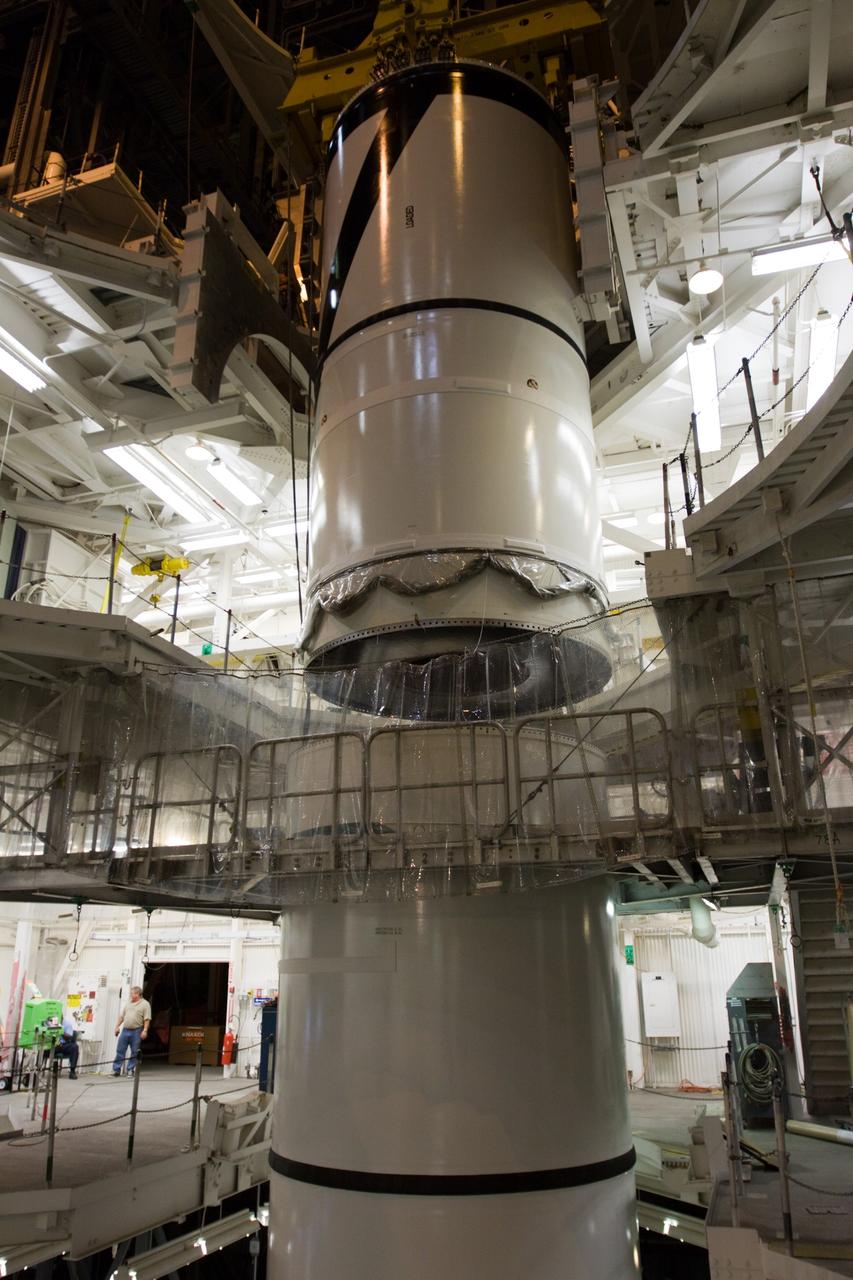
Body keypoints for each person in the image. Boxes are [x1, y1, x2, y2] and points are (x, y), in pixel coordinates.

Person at [113, 986, 151, 1077]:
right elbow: (122, 1017)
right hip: (125, 1030)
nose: (131, 995)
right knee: (120, 1050)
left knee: (134, 1052)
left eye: (133, 994)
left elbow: (147, 1019)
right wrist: (117, 1027)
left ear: (138, 994)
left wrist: (145, 1030)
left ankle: (130, 1070)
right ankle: (116, 1070)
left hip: (137, 1031)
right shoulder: (128, 1003)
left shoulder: (145, 1004)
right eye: (131, 993)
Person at [57, 1010, 79, 1079]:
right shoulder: (50, 1022)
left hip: (63, 1045)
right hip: (52, 1044)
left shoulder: (67, 1023)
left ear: (62, 1017)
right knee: (40, 1046)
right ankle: (36, 1069)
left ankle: (72, 1071)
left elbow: (69, 1037)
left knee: (74, 1047)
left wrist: (61, 1031)